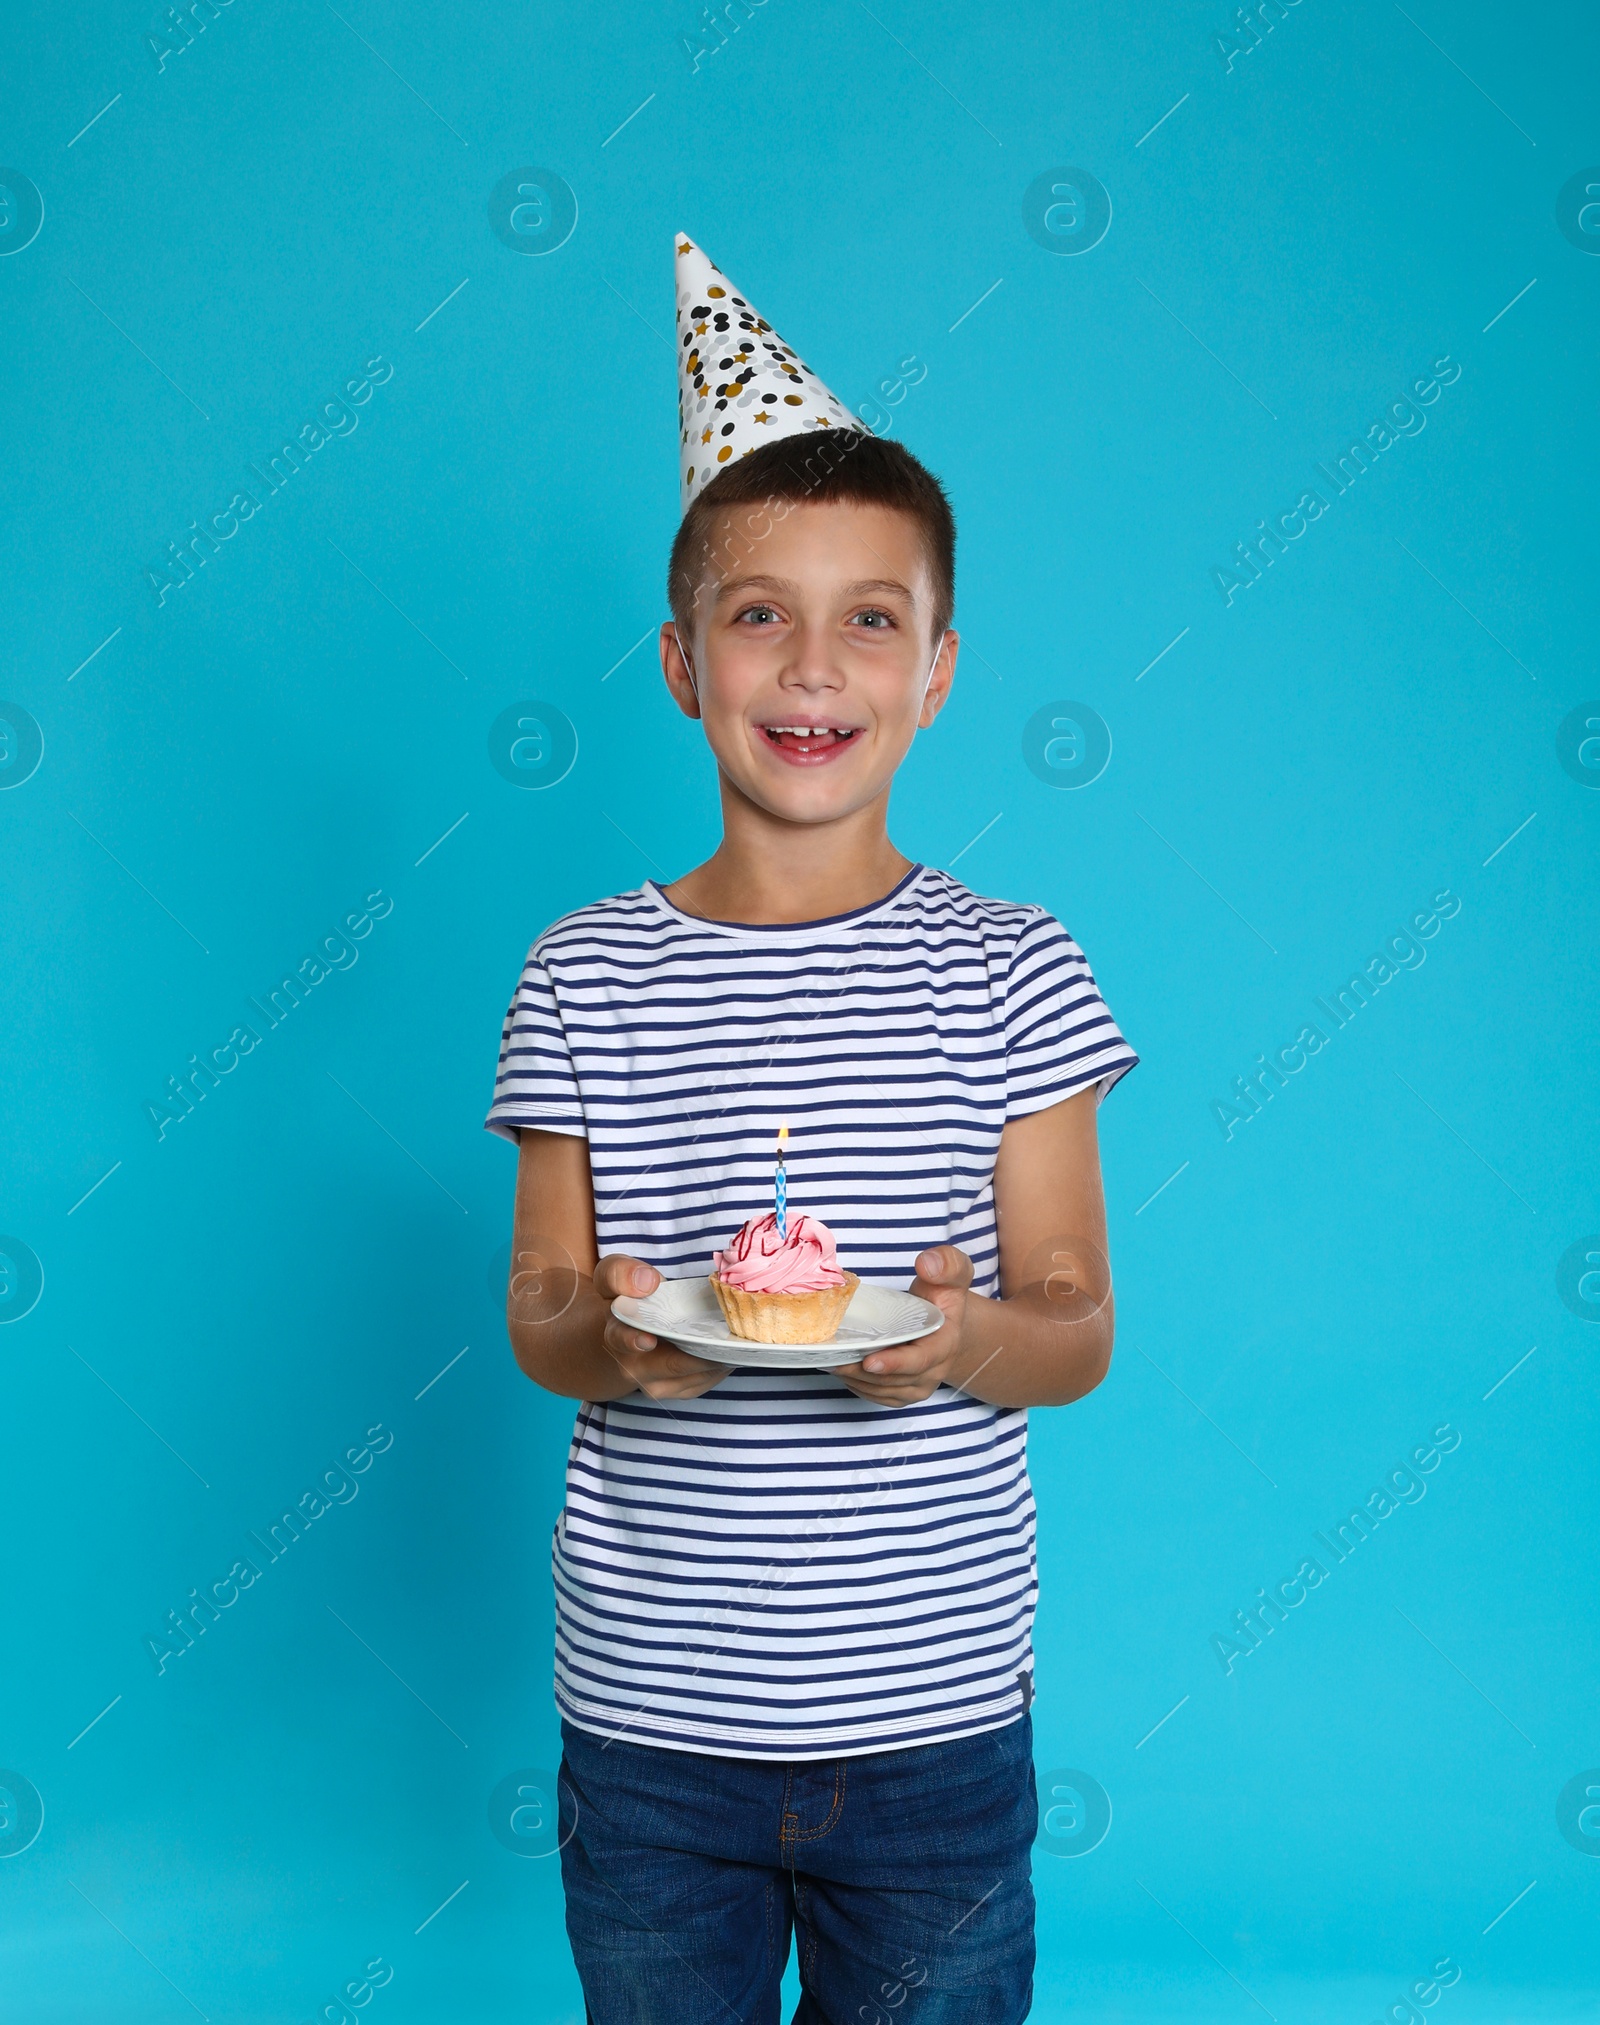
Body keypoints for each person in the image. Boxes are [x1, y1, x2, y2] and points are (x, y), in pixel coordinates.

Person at [485, 234, 1137, 2024]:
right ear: (686, 661)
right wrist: (615, 1335)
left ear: (936, 668)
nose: (815, 660)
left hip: (929, 1723)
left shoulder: (1015, 966)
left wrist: (964, 1338)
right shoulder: (585, 973)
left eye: (873, 615)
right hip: (651, 1724)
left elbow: (1076, 1324)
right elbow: (542, 1308)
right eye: (762, 611)